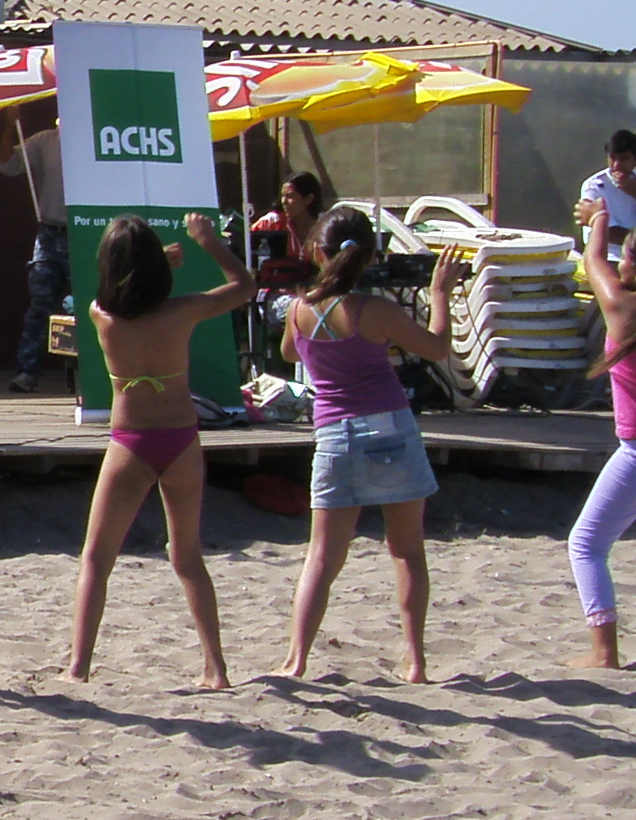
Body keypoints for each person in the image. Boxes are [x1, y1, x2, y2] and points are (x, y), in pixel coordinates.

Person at [62, 215, 252, 689]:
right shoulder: (183, 311)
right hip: (181, 439)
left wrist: (155, 260)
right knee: (187, 557)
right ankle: (216, 667)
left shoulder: (100, 315)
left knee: (96, 559)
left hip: (132, 442)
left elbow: (122, 287)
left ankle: (79, 667)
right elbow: (244, 286)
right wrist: (209, 242)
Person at [275, 206, 459, 684]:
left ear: (318, 252)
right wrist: (439, 294)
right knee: (407, 550)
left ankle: (296, 659)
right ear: (370, 257)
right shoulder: (376, 311)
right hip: (389, 427)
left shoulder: (299, 309)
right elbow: (437, 348)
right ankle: (415, 662)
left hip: (335, 434)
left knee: (321, 557)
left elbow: (289, 352)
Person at [564, 204, 636, 669]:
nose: (619, 262)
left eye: (625, 256)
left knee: (586, 544)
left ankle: (604, 652)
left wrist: (599, 219)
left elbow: (592, 261)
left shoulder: (623, 308)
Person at [0, 104, 67, 394]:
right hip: (50, 232)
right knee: (40, 304)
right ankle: (27, 371)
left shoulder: (95, 142)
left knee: (91, 302)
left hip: (86, 232)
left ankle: (95, 372)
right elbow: (6, 164)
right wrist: (10, 125)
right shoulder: (46, 140)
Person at [574, 130, 636, 263]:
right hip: (609, 258)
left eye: (624, 158)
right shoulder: (594, 185)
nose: (616, 165)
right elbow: (606, 232)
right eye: (612, 158)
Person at [252, 172, 326, 269]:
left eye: (290, 196)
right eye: (282, 196)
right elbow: (248, 247)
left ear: (309, 198)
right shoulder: (271, 223)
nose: (284, 201)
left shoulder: (324, 225)